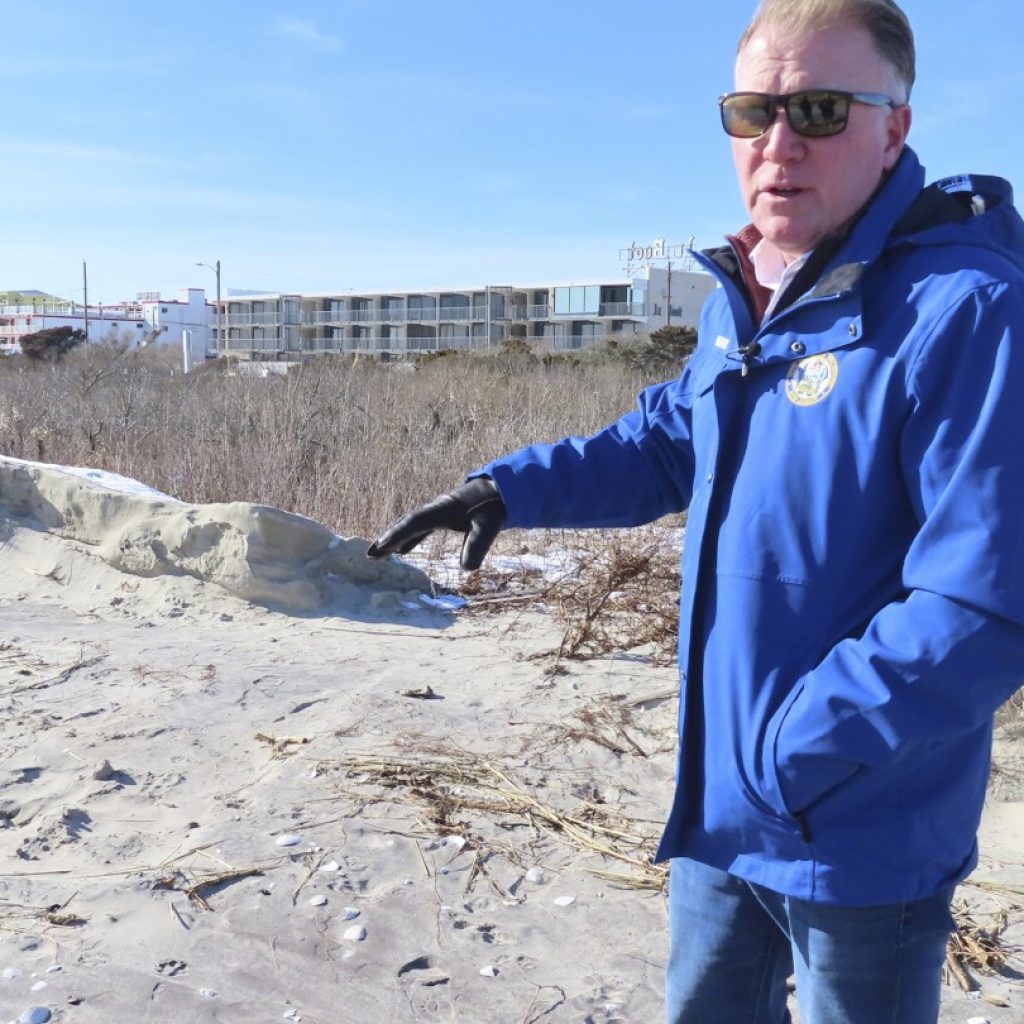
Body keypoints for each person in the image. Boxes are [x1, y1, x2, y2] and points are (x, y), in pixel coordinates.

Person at [369, 1, 1024, 1020]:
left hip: (861, 833)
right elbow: (667, 439)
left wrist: (800, 748)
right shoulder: (745, 298)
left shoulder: (965, 312)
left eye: (817, 109)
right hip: (723, 812)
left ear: (894, 126)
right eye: (750, 111)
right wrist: (509, 485)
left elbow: (984, 605)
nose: (776, 143)